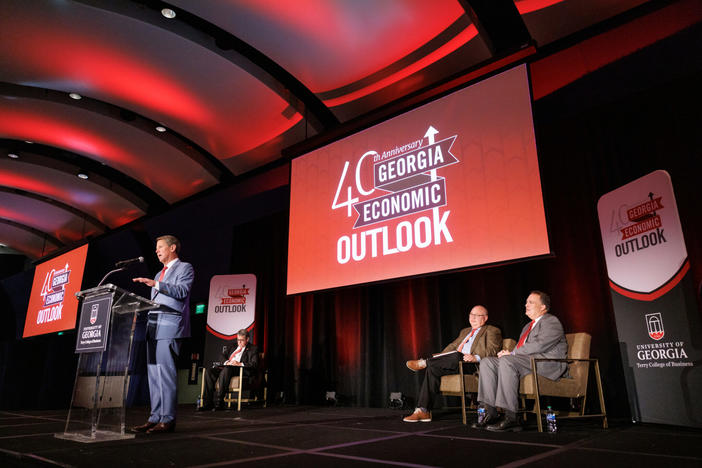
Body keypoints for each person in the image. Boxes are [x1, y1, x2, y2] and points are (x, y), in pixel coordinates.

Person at [473, 290, 567, 432]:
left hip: (545, 363)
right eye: (526, 302)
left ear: (543, 307)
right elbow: (519, 349)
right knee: (487, 362)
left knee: (508, 361)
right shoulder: (527, 327)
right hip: (526, 362)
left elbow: (540, 345)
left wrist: (512, 353)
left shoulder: (551, 321)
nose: (526, 305)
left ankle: (511, 417)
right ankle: (490, 412)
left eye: (531, 302)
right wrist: (508, 354)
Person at [130, 235, 194, 434]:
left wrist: (156, 285)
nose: (156, 251)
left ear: (172, 247)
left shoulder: (185, 268)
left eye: (160, 247)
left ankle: (168, 419)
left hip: (170, 325)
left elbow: (182, 291)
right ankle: (155, 417)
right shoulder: (158, 273)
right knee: (154, 374)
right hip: (153, 326)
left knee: (165, 372)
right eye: (156, 248)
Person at [403, 305, 502, 422]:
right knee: (433, 368)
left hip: (472, 365)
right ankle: (423, 411)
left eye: (477, 315)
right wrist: (442, 358)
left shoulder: (492, 330)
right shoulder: (465, 331)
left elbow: (493, 350)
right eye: (471, 314)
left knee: (456, 355)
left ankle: (424, 362)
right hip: (455, 362)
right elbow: (453, 346)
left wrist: (475, 357)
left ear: (485, 318)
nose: (472, 318)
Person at [199, 329, 259, 410]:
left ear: (247, 339)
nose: (239, 342)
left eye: (242, 340)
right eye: (238, 340)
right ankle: (207, 403)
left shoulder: (253, 348)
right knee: (209, 372)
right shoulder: (232, 346)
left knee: (227, 369)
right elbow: (222, 356)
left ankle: (219, 402)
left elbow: (254, 364)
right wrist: (227, 362)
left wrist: (239, 364)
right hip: (227, 366)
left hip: (240, 369)